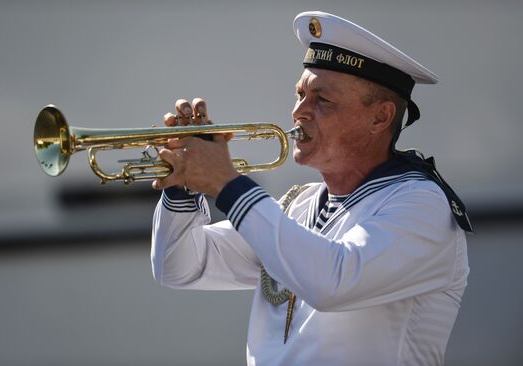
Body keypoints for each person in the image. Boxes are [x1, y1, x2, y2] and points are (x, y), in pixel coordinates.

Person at [150, 11, 472, 366]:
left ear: (380, 117)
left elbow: (333, 283)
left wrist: (227, 183)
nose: (299, 112)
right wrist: (182, 186)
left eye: (323, 101)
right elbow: (179, 267)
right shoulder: (298, 205)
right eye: (300, 95)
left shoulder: (421, 205)